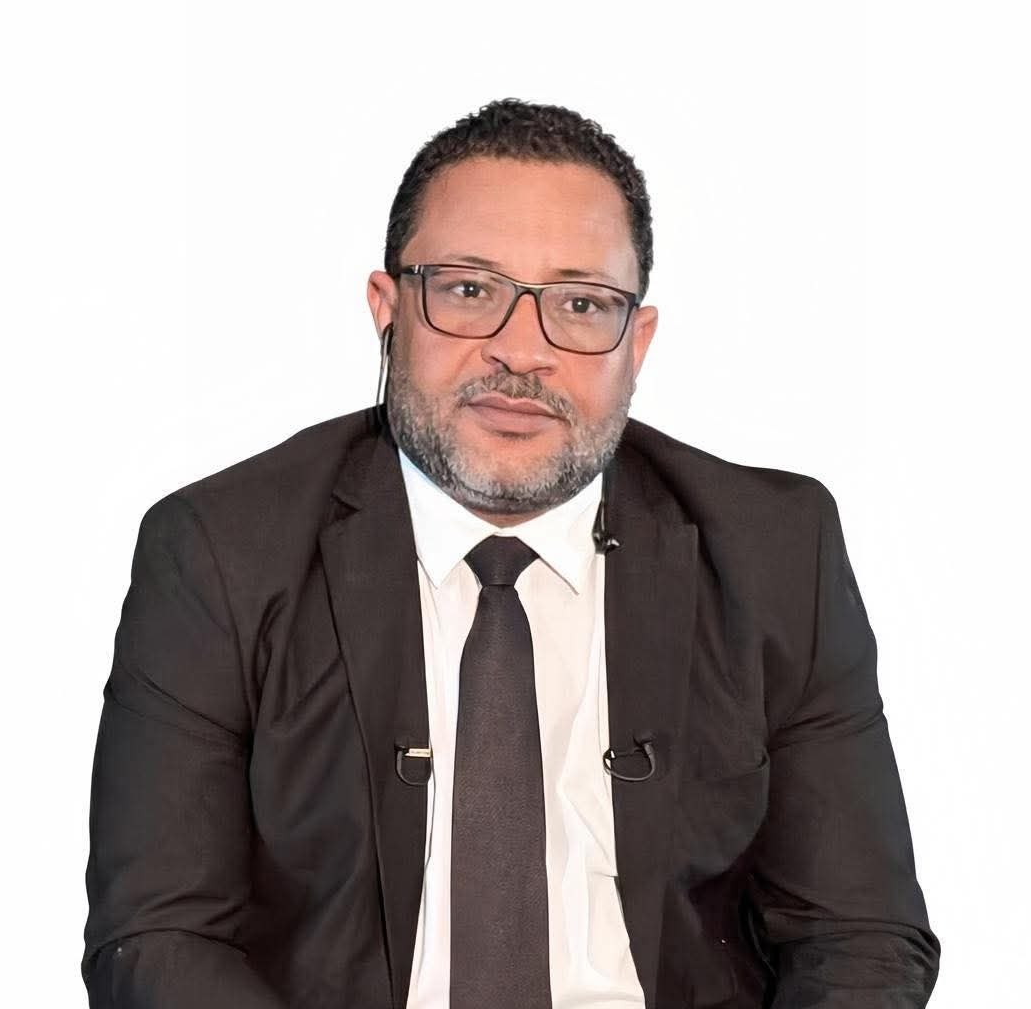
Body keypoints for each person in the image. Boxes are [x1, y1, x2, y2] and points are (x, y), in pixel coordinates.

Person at [81, 98, 940, 1009]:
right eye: (469, 291)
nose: (521, 350)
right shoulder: (219, 552)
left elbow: (860, 937)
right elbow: (158, 938)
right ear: (388, 310)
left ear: (637, 342)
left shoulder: (774, 550)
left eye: (581, 304)